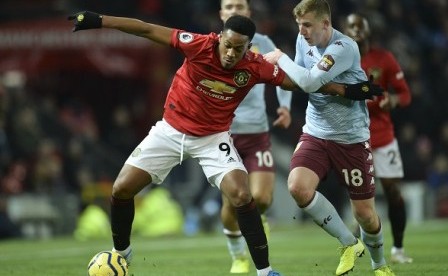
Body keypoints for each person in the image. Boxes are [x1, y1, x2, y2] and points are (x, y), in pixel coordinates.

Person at [68, 10, 378, 276]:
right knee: (121, 189)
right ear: (219, 38)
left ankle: (265, 270)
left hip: (213, 138)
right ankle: (121, 252)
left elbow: (298, 83)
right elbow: (147, 29)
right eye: (227, 46)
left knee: (242, 195)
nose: (231, 54)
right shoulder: (198, 45)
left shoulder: (255, 66)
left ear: (249, 47)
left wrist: (347, 91)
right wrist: (99, 20)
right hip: (170, 131)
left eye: (238, 49)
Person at [263, 0, 395, 275]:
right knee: (298, 187)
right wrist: (285, 105)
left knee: (366, 216)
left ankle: (379, 265)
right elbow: (298, 78)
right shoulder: (303, 41)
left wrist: (279, 57)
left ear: (326, 23)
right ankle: (348, 242)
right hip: (316, 132)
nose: (302, 31)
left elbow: (309, 81)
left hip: (351, 139)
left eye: (308, 25)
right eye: (299, 25)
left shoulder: (344, 47)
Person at [218, 0, 292, 273]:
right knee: (232, 200)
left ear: (249, 13)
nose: (234, 10)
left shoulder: (263, 42)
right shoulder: (211, 46)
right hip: (224, 134)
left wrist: (284, 106)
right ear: (221, 14)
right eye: (229, 6)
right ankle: (238, 256)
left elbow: (283, 71)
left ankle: (255, 220)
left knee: (261, 198)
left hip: (258, 131)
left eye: (240, 5)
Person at [344, 13, 413, 264]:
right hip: (353, 138)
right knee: (362, 199)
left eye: (360, 26)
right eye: (351, 27)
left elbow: (405, 94)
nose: (356, 30)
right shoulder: (339, 59)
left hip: (382, 138)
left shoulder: (384, 59)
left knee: (393, 191)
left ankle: (398, 248)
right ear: (345, 31)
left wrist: (393, 100)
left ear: (368, 30)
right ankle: (358, 243)